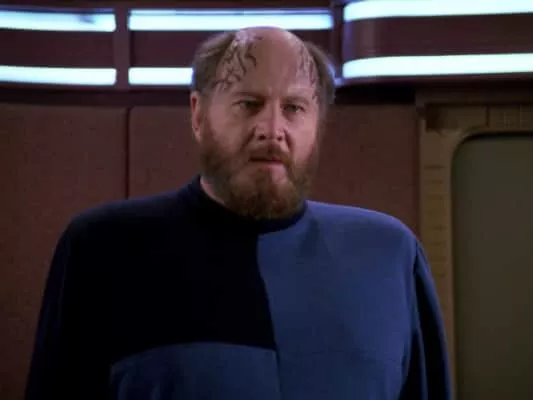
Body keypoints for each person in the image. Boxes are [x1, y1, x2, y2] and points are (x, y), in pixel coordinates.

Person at [25, 27, 451, 400]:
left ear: (318, 124)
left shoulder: (389, 255)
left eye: (294, 107)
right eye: (249, 104)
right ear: (198, 114)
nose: (272, 130)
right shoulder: (103, 249)